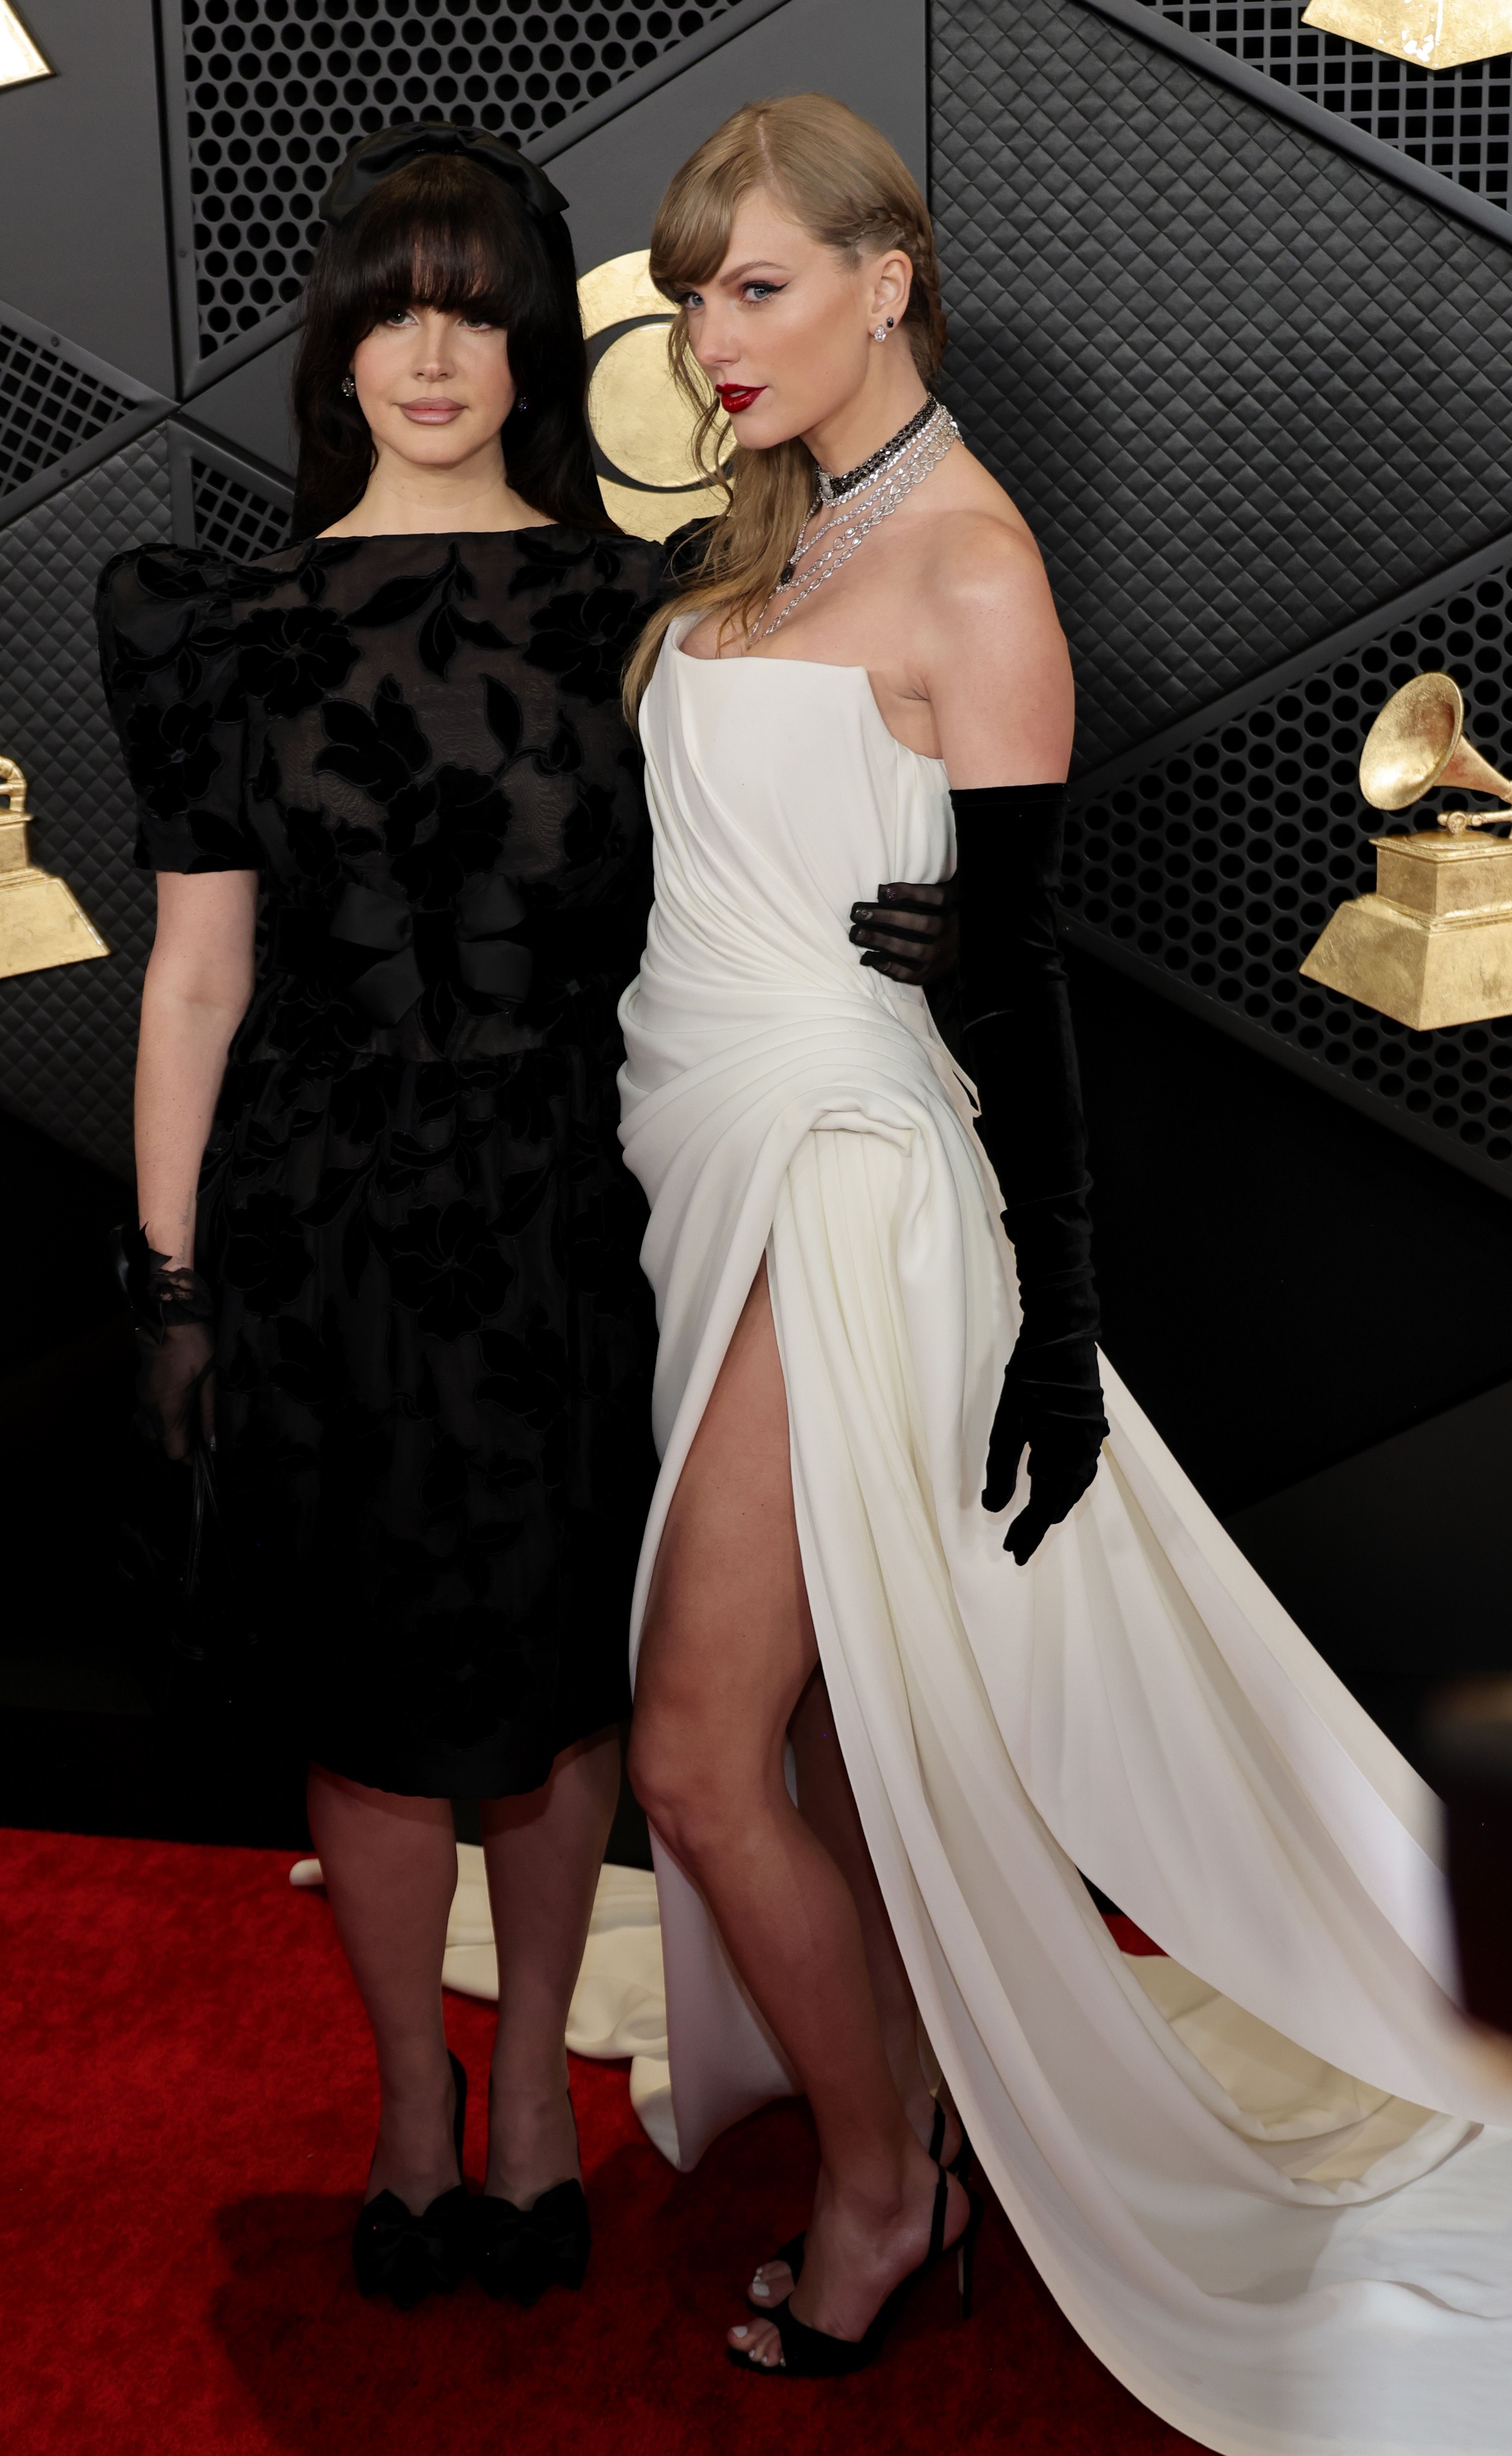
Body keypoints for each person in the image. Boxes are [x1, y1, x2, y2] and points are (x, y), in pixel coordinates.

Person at [618, 91, 1512, 2443]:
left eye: (759, 285)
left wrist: (1067, 1308)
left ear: (886, 280)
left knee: (697, 1757)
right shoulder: (783, 543)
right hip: (712, 1165)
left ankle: (883, 2198)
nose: (715, 336)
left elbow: (1012, 989)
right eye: (695, 295)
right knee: (833, 1724)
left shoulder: (974, 570)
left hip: (842, 1185)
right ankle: (909, 2121)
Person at [97, 120, 947, 2316]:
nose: (430, 355)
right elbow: (194, 975)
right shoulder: (220, 623)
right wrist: (172, 1276)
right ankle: (412, 2102)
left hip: (578, 1209)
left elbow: (794, 840)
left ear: (531, 348)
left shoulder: (651, 613)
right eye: (391, 312)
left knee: (558, 1691)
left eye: (473, 314)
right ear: (336, 347)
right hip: (320, 1223)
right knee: (372, 1700)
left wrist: (942, 907)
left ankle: (539, 2107)